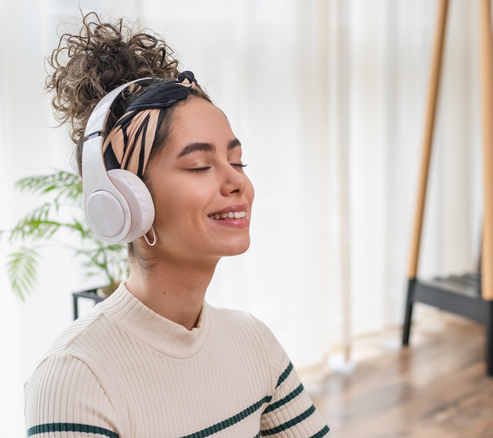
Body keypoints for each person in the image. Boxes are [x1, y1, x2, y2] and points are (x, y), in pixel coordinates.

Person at [24, 12, 332, 438]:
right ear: (127, 200)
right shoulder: (77, 377)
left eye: (237, 161)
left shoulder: (254, 343)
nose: (237, 181)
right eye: (200, 165)